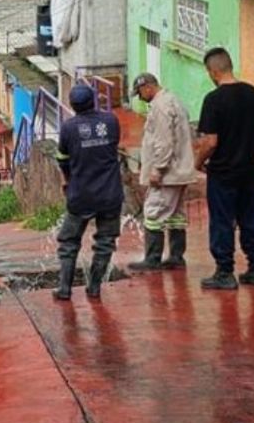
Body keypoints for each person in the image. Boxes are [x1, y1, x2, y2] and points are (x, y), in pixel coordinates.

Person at [195, 48, 254, 290]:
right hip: (250, 171)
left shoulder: (213, 100)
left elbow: (211, 142)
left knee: (222, 221)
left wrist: (197, 162)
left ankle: (225, 271)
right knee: (250, 219)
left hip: (222, 173)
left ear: (213, 71)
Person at [52, 84, 124, 301]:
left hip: (80, 194)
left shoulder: (68, 128)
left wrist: (68, 179)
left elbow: (62, 159)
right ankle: (94, 286)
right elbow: (112, 148)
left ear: (73, 106)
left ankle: (64, 288)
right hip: (110, 193)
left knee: (69, 242)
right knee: (105, 241)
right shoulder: (111, 121)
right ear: (94, 100)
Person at [127, 73, 197, 272]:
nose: (140, 98)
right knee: (175, 213)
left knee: (153, 212)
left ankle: (152, 259)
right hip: (180, 170)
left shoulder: (160, 107)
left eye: (139, 93)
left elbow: (164, 142)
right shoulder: (174, 100)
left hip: (168, 173)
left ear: (147, 87)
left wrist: (157, 169)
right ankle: (176, 256)